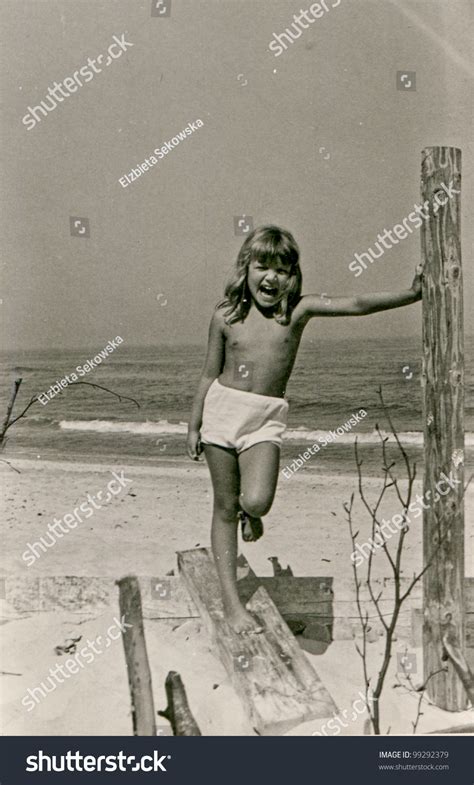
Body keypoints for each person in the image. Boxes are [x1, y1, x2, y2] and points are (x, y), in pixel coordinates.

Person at [186, 225, 422, 633]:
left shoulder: (297, 312)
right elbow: (208, 373)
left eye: (282, 269)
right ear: (246, 268)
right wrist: (193, 426)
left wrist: (412, 293)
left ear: (292, 276)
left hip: (264, 419)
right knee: (225, 507)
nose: (271, 278)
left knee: (256, 501)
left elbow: (358, 302)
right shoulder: (226, 315)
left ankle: (251, 514)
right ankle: (231, 603)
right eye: (262, 266)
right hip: (221, 414)